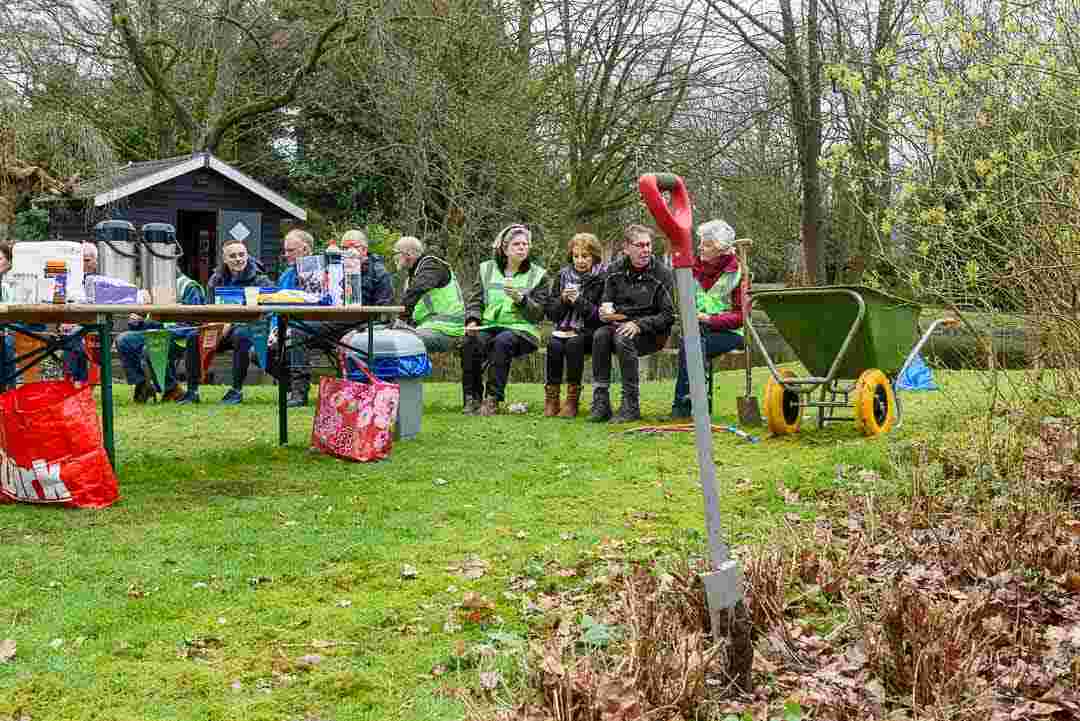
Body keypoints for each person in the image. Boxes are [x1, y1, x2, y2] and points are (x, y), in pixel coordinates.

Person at [281, 228, 394, 407]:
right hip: (331, 322)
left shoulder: (379, 273)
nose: (346, 252)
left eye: (352, 247)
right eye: (343, 247)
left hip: (360, 326)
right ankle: (298, 392)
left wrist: (358, 331)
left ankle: (358, 392)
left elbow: (384, 313)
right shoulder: (333, 269)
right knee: (296, 331)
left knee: (298, 331)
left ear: (364, 250)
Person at [589, 224, 675, 423]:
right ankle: (601, 401)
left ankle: (631, 404)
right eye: (640, 245)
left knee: (622, 337)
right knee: (600, 335)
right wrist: (604, 313)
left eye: (648, 245)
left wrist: (639, 324)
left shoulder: (662, 274)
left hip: (652, 333)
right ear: (626, 248)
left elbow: (668, 316)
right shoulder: (613, 270)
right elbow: (606, 302)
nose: (646, 250)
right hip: (619, 325)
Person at [462, 224, 550, 416]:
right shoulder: (486, 269)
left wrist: (522, 300)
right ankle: (472, 398)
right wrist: (472, 321)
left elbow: (539, 313)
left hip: (522, 331)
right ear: (505, 248)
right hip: (490, 325)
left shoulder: (539, 275)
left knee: (503, 341)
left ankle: (492, 399)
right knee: (471, 341)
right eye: (517, 244)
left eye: (525, 244)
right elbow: (475, 300)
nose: (522, 248)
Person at [670, 219, 746, 419]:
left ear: (721, 249)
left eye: (707, 244)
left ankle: (684, 408)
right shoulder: (693, 268)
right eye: (701, 242)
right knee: (693, 342)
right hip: (699, 330)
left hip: (731, 334)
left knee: (693, 344)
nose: (701, 248)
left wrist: (709, 319)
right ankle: (694, 406)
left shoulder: (736, 273)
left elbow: (741, 317)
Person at [192, 239, 272, 404]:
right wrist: (215, 326)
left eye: (242, 255)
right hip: (219, 329)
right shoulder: (216, 279)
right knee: (193, 336)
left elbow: (268, 312)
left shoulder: (261, 280)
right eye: (233, 256)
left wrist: (231, 325)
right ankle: (192, 391)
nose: (238, 259)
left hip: (249, 329)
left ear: (247, 255)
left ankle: (236, 390)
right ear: (225, 259)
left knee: (241, 335)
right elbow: (209, 308)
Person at [116, 272, 207, 403]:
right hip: (156, 332)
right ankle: (143, 384)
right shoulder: (151, 286)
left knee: (153, 345)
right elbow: (147, 322)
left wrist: (158, 327)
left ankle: (172, 389)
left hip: (180, 337)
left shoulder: (189, 286)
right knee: (124, 340)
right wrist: (138, 321)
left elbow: (193, 323)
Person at [543, 232, 605, 418]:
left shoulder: (602, 278)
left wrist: (578, 301)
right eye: (576, 256)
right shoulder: (562, 276)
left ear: (594, 257)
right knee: (553, 344)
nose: (580, 261)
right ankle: (552, 398)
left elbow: (599, 316)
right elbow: (552, 314)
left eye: (585, 256)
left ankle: (572, 400)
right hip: (562, 329)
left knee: (574, 343)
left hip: (588, 330)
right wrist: (563, 299)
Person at [390, 235, 465, 353]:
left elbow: (417, 290)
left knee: (400, 341)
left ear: (407, 254)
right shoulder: (416, 272)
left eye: (396, 254)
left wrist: (401, 318)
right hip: (430, 327)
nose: (394, 258)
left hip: (446, 331)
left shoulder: (432, 266)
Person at [61, 242, 99, 382]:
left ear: (95, 262)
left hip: (95, 323)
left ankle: (73, 381)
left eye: (87, 260)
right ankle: (78, 382)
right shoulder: (68, 279)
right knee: (72, 338)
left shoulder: (100, 281)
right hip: (70, 326)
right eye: (79, 260)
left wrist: (75, 322)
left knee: (72, 337)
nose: (82, 264)